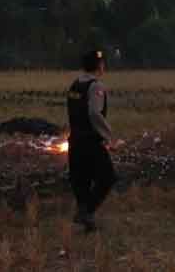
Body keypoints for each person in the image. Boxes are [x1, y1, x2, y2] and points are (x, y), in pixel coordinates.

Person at [67, 49, 117, 232]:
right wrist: (108, 135)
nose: (104, 66)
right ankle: (86, 213)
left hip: (75, 142)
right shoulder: (96, 87)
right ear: (98, 66)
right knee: (108, 177)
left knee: (82, 181)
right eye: (102, 63)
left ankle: (86, 220)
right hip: (90, 143)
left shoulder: (74, 85)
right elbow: (94, 113)